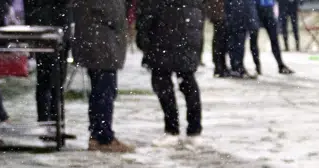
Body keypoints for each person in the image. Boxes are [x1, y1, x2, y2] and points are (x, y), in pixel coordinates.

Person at [137, 0, 204, 144]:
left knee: (163, 82)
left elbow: (148, 13)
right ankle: (194, 130)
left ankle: (172, 129)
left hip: (165, 35)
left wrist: (144, 39)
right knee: (187, 81)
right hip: (188, 32)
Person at [71, 0, 134, 151]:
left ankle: (97, 134)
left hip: (97, 43)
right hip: (102, 45)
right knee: (105, 91)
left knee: (100, 91)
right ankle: (104, 138)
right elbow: (114, 15)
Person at [25, 0, 70, 123]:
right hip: (52, 27)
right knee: (53, 79)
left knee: (47, 79)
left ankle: (48, 119)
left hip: (44, 27)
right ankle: (53, 120)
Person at [247, 0, 292, 75]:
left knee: (274, 38)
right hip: (254, 7)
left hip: (268, 7)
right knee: (254, 38)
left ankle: (280, 65)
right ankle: (257, 66)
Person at [223, 0, 256, 78]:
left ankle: (237, 66)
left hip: (237, 17)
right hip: (238, 17)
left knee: (236, 43)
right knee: (237, 44)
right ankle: (237, 67)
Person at [204, 0, 228, 76]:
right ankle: (219, 66)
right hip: (219, 13)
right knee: (220, 41)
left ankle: (220, 66)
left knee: (219, 40)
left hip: (218, 12)